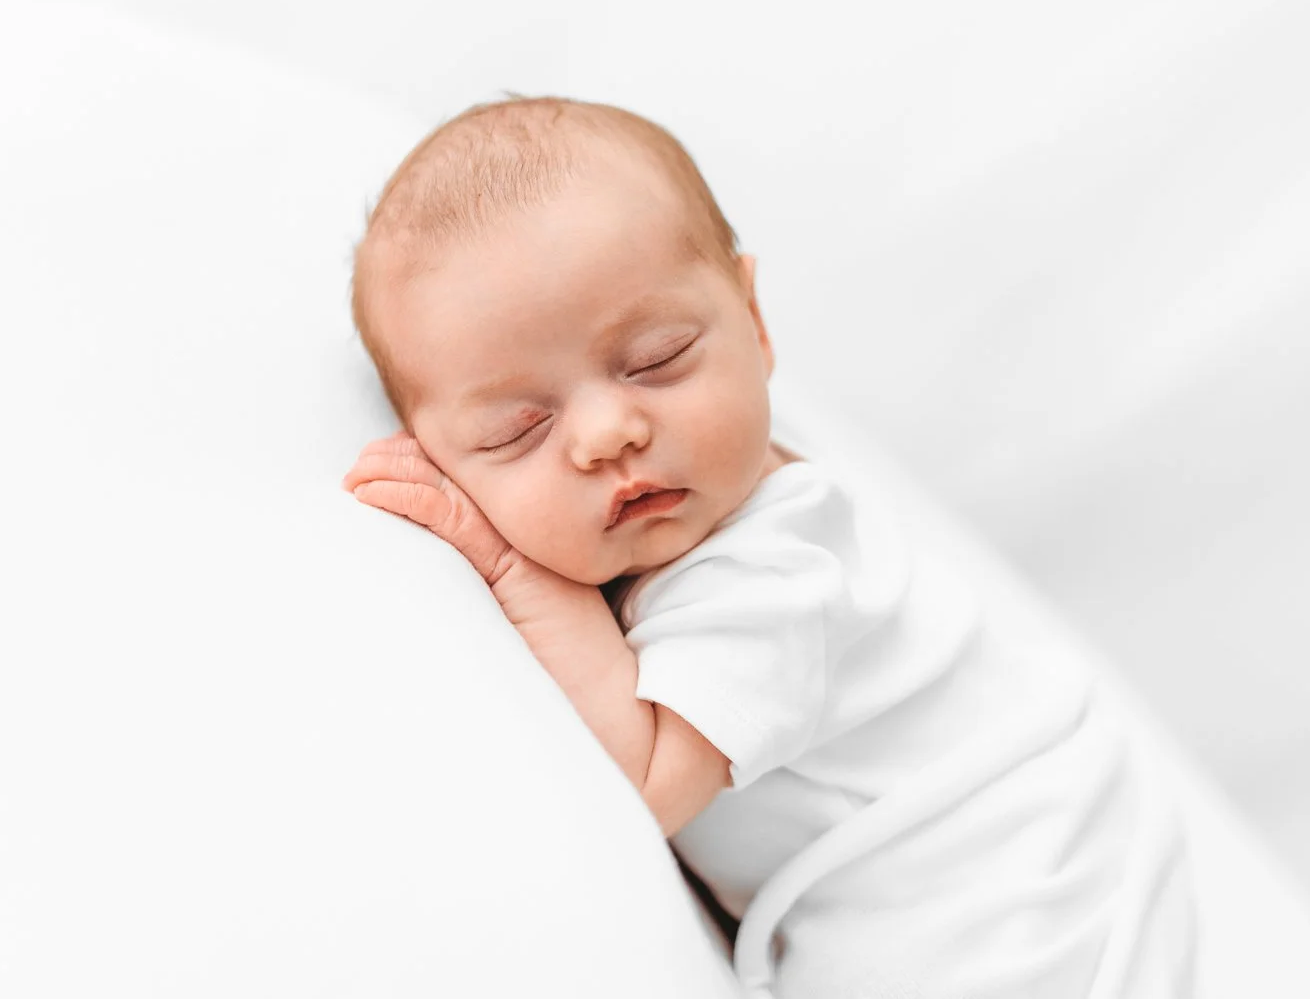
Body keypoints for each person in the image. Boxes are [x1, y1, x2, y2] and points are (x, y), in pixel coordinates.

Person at [342, 96, 1194, 998]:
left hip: (1011, 873)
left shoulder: (771, 567)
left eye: (657, 359)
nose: (607, 432)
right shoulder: (692, 499)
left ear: (754, 322)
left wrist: (517, 572)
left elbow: (647, 783)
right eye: (519, 430)